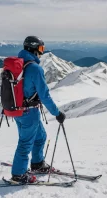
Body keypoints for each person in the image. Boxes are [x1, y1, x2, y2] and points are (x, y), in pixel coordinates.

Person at [11, 36, 66, 183]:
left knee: (40, 137)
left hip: (18, 110)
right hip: (29, 112)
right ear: (33, 48)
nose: (41, 52)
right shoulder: (35, 68)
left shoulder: (19, 65)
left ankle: (37, 163)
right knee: (25, 142)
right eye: (40, 49)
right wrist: (57, 113)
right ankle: (18, 175)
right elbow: (45, 96)